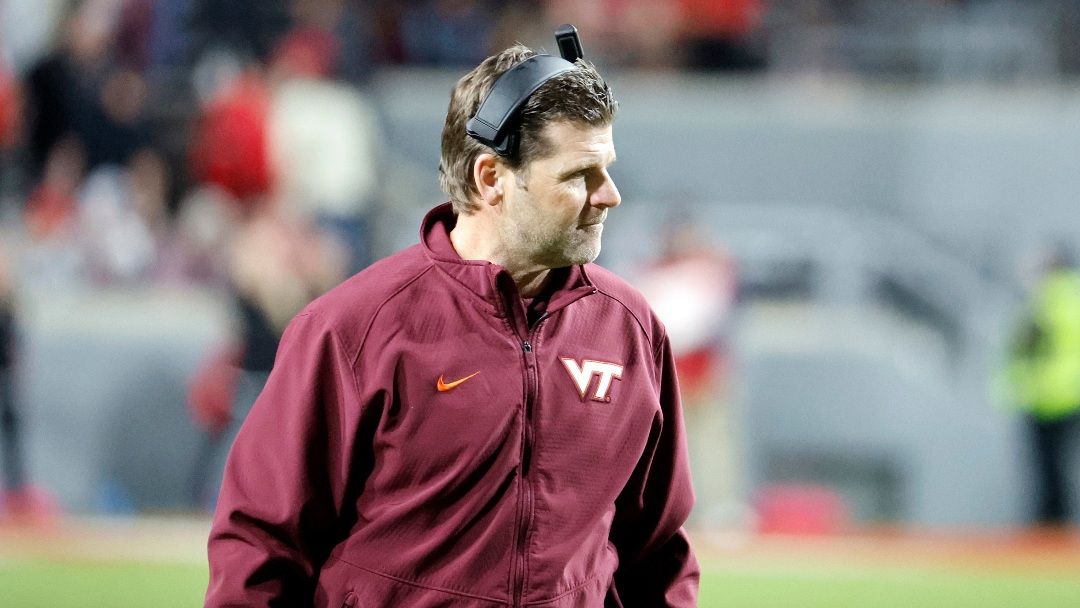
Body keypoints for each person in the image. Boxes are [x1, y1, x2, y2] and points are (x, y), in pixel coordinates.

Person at [206, 30, 699, 608]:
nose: (610, 194)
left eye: (606, 168)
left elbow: (658, 553)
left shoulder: (631, 330)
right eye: (577, 175)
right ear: (491, 179)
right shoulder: (352, 329)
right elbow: (261, 547)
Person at [1006, 245, 1080, 526]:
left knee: (1048, 472)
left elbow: (1026, 343)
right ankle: (1056, 529)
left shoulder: (1047, 299)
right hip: (1065, 395)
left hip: (1048, 397)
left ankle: (1050, 531)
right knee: (1057, 472)